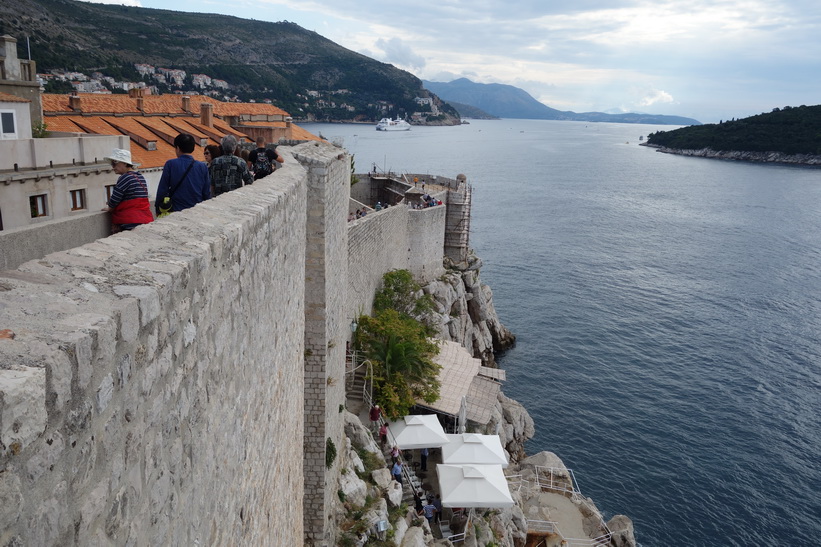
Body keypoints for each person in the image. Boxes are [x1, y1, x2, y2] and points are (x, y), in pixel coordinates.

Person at [155, 133, 210, 215]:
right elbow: (206, 192)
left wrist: (158, 208)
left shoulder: (170, 164)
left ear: (177, 148)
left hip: (176, 209)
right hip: (197, 210)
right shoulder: (202, 166)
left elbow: (162, 189)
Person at [102, 148, 153, 232]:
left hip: (130, 221)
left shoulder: (125, 178)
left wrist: (109, 208)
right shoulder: (140, 177)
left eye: (115, 163)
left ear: (125, 163)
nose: (113, 167)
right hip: (145, 219)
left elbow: (114, 200)